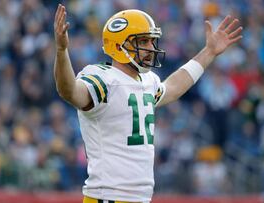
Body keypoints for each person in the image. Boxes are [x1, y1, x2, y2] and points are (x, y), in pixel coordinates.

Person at [53, 3, 242, 203]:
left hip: (138, 197)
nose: (151, 48)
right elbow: (69, 91)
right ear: (118, 46)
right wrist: (61, 50)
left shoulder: (147, 80)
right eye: (143, 41)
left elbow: (174, 86)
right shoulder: (103, 79)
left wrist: (209, 52)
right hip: (109, 197)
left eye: (152, 41)